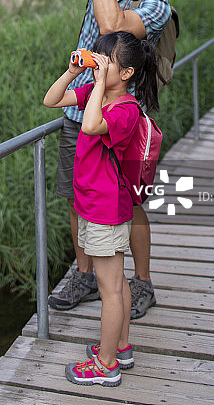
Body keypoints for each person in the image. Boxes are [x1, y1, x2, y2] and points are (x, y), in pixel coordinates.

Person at [35, 0, 171, 318]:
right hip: (80, 113)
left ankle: (142, 283)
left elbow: (113, 24)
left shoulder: (156, 3)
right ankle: (84, 274)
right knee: (78, 199)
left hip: (121, 122)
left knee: (129, 202)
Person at [43, 31, 160, 386]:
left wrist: (95, 86)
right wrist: (73, 71)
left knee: (109, 289)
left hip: (105, 208)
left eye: (106, 60)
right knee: (116, 283)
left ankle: (106, 365)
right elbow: (52, 100)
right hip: (99, 205)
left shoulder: (124, 109)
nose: (99, 62)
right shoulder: (101, 94)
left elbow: (92, 125)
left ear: (126, 74)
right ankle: (121, 347)